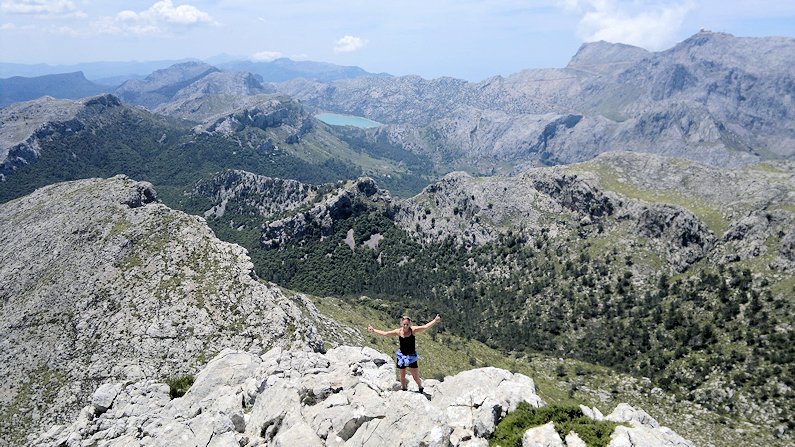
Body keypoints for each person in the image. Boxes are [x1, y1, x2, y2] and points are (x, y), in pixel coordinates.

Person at [367, 314, 441, 393]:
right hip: (402, 356)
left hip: (411, 357)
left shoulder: (413, 330)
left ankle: (420, 387)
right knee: (402, 376)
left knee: (415, 376)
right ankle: (404, 389)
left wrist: (434, 321)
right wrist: (374, 330)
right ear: (401, 324)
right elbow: (386, 334)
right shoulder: (398, 331)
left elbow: (425, 327)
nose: (405, 326)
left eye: (407, 324)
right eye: (404, 324)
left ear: (410, 324)